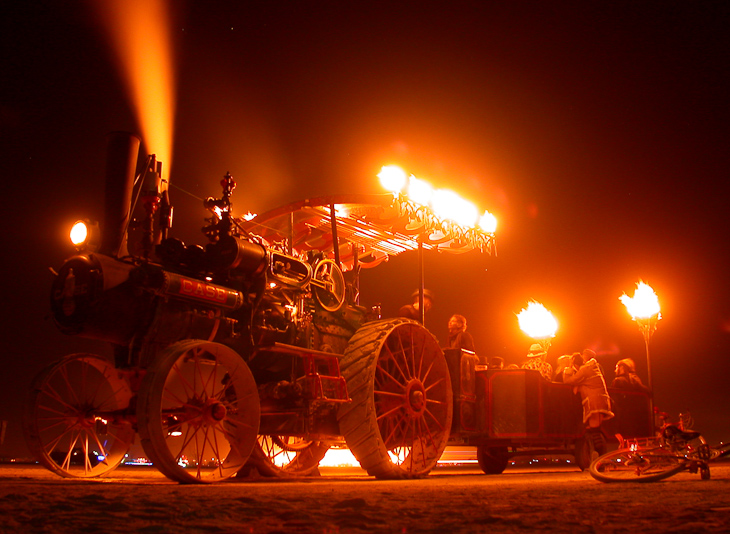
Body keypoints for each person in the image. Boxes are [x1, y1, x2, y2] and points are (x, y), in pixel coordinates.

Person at [562, 349, 614, 454]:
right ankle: (601, 458)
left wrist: (567, 369)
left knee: (595, 431)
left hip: (594, 402)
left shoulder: (585, 370)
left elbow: (568, 381)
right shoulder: (592, 368)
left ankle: (601, 458)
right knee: (596, 430)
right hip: (599, 400)